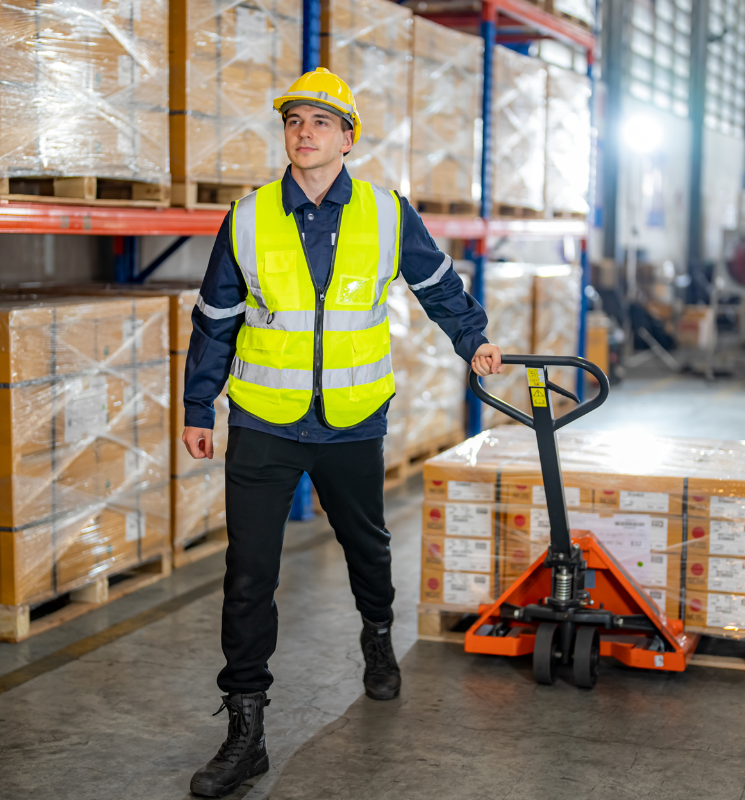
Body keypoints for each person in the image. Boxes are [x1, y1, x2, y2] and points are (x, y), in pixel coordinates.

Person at [179, 67, 503, 797]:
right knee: (249, 575)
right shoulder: (251, 215)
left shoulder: (388, 214)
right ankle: (245, 727)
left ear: (348, 138)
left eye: (321, 122)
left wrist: (473, 340)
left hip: (352, 420)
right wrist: (200, 407)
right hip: (264, 420)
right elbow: (216, 318)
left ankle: (378, 637)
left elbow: (438, 288)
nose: (305, 131)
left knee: (368, 545)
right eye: (295, 120)